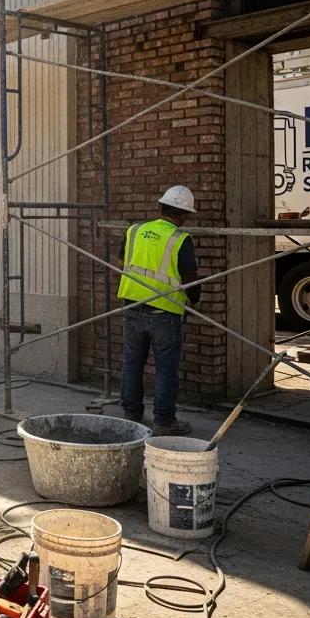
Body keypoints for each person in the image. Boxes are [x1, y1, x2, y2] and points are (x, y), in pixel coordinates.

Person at [117, 186, 202, 436]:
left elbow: (123, 263)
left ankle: (132, 416)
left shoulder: (134, 231)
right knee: (165, 368)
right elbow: (190, 279)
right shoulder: (180, 239)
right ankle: (164, 422)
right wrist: (194, 302)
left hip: (132, 306)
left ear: (160, 207)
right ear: (184, 215)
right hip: (165, 313)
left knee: (132, 363)